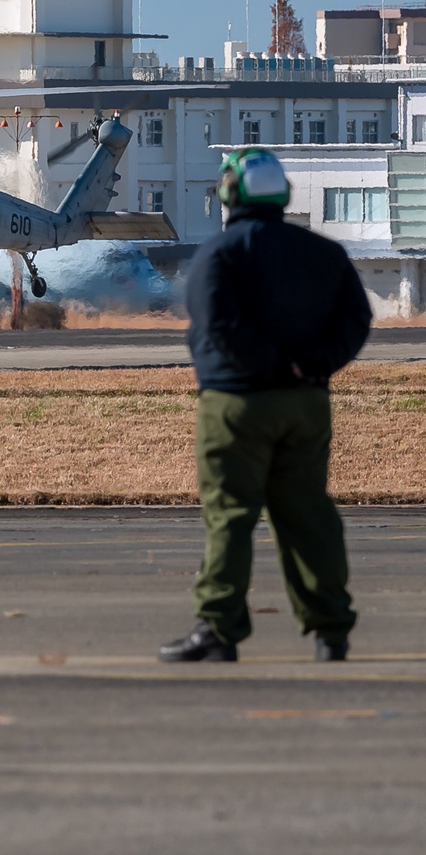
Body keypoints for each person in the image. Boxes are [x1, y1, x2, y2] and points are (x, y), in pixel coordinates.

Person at [160, 146, 372, 664]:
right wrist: (312, 366)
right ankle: (331, 629)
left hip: (237, 403)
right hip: (307, 405)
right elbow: (356, 321)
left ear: (230, 192)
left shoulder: (221, 254)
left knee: (231, 515)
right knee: (308, 514)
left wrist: (272, 365)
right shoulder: (325, 254)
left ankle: (219, 629)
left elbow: (221, 328)